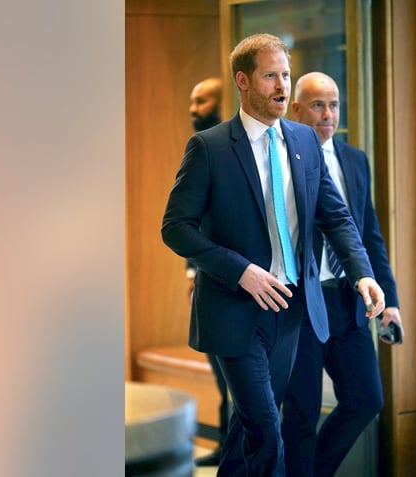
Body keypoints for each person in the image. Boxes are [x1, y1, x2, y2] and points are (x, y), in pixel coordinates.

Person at [162, 33, 386, 477]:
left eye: (285, 74)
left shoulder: (304, 141)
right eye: (270, 76)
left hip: (291, 310)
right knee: (266, 427)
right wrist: (241, 271)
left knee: (248, 433)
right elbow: (175, 228)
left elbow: (336, 217)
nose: (282, 85)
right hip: (234, 308)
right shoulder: (209, 147)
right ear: (243, 81)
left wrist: (362, 272)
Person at [281, 72, 405, 477]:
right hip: (300, 303)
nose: (327, 114)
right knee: (300, 415)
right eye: (317, 105)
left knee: (366, 400)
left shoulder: (354, 159)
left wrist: (390, 300)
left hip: (349, 303)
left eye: (334, 105)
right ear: (296, 109)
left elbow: (369, 234)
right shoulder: (282, 159)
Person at [185, 76, 229, 467]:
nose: (193, 109)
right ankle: (228, 444)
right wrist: (190, 274)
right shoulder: (202, 147)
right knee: (221, 372)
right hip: (212, 280)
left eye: (201, 101)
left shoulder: (232, 145)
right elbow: (188, 219)